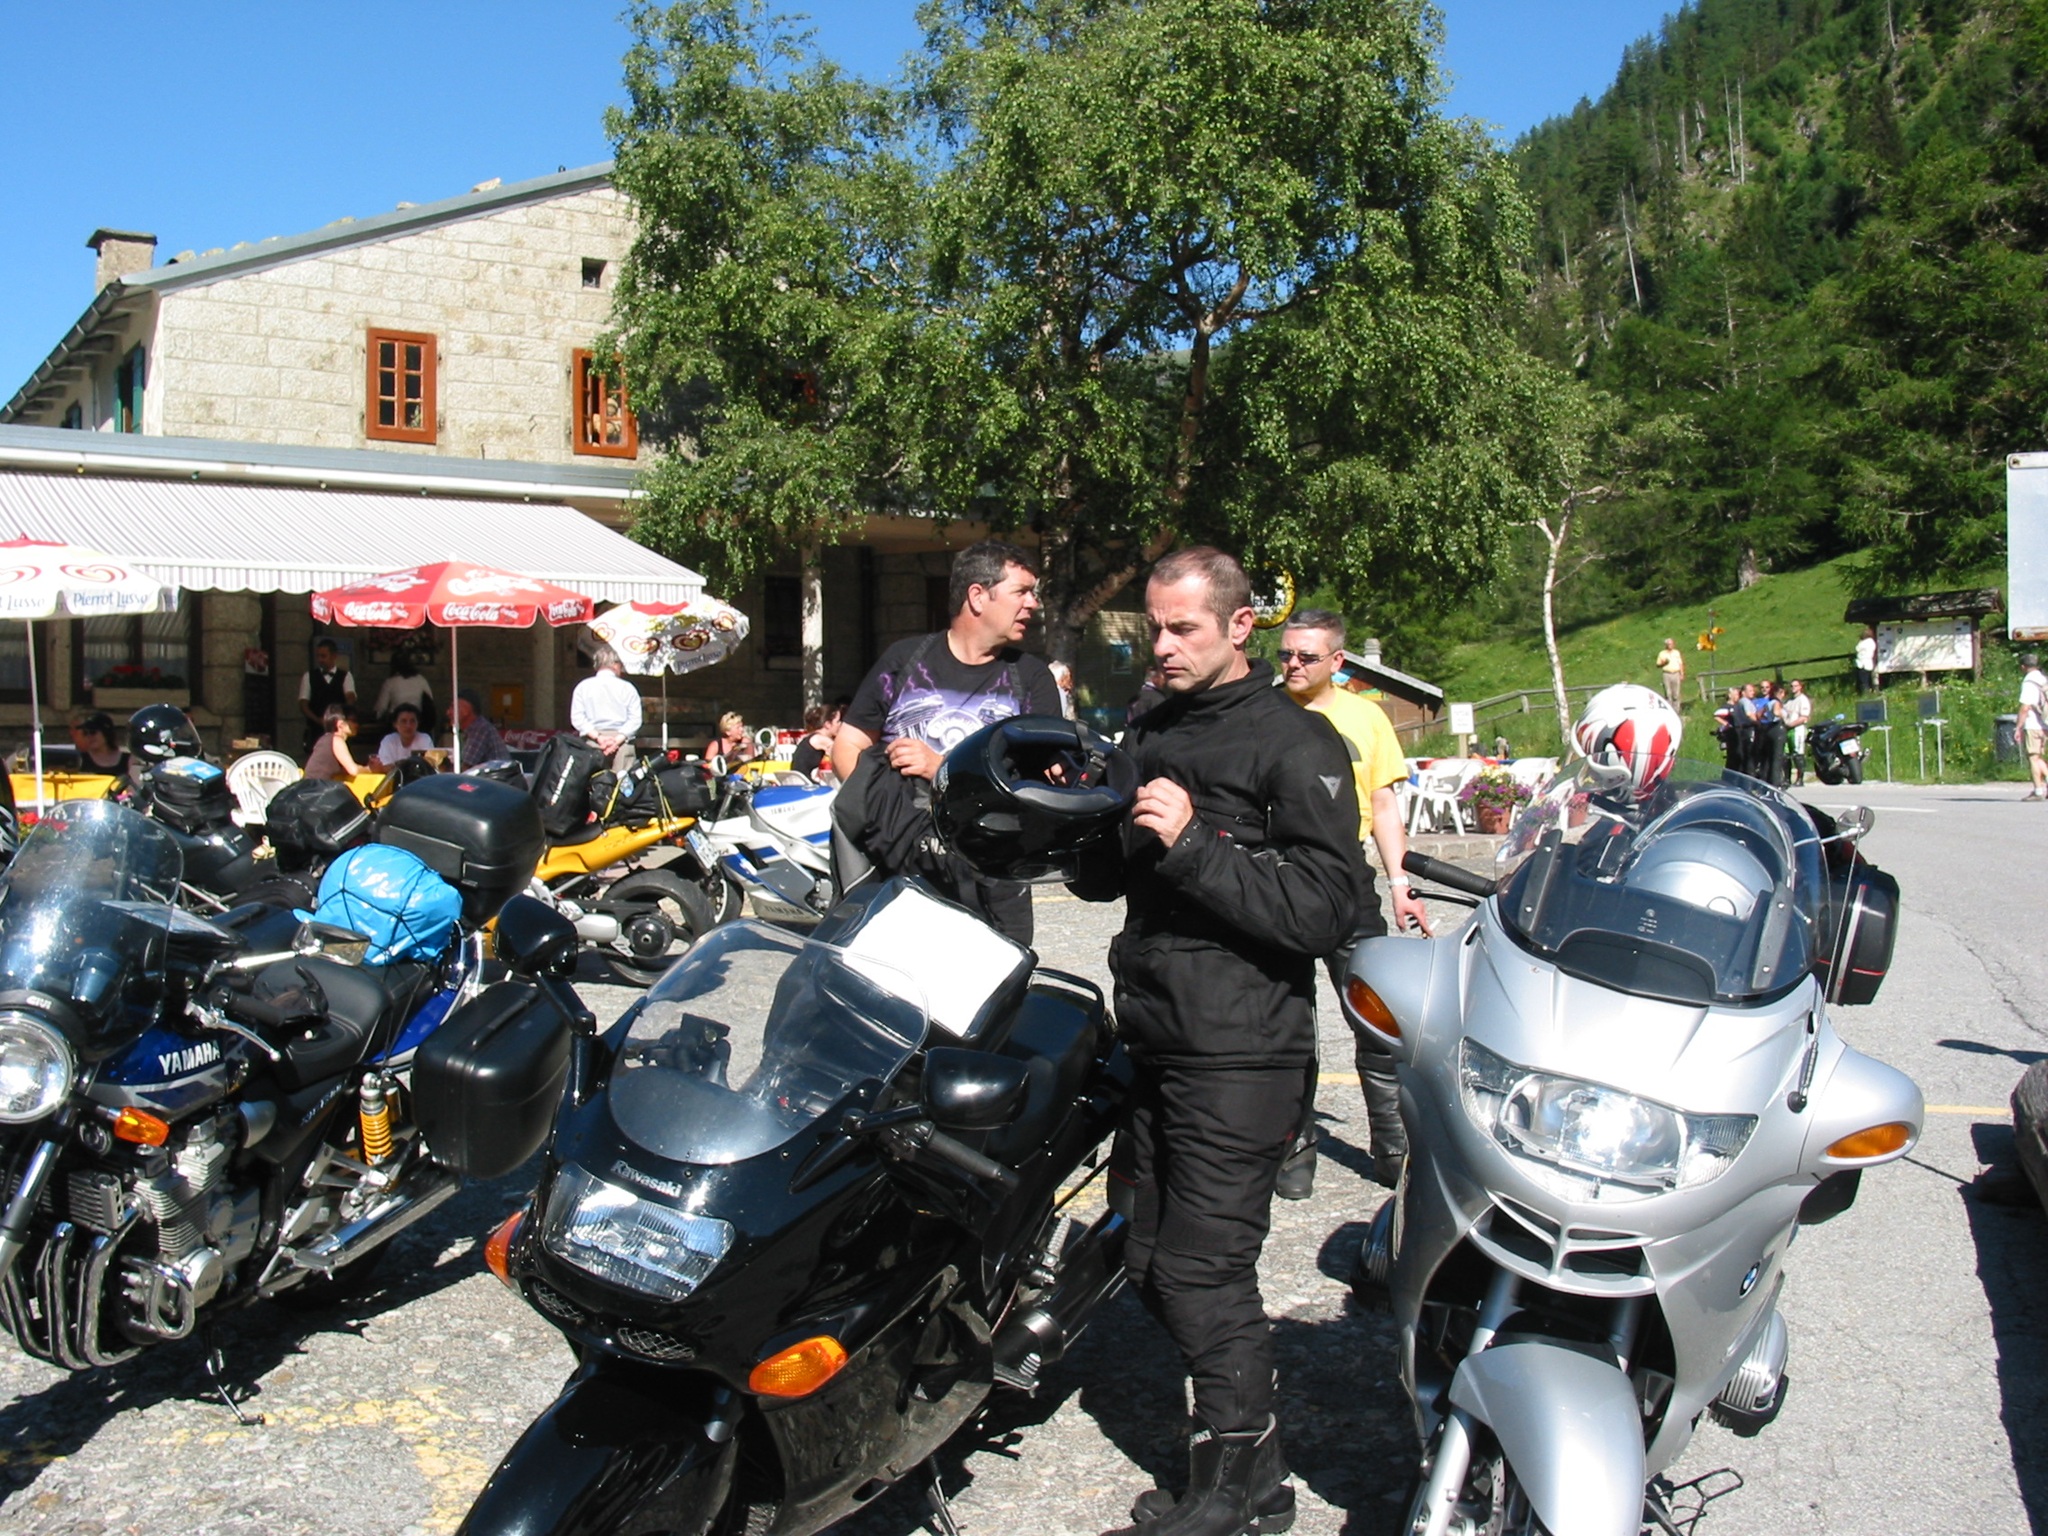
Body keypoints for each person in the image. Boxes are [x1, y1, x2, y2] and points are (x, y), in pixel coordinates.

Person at [1070, 548, 1366, 1536]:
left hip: (1243, 1052)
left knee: (1203, 1271)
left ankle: (1240, 1493)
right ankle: (1249, 1471)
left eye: (1182, 629)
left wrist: (1196, 841)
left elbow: (1323, 911)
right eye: (1153, 628)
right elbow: (1105, 879)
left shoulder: (1296, 740)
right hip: (1154, 1034)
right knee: (1150, 1260)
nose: (1160, 646)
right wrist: (1074, 816)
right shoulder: (1150, 724)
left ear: (1240, 627)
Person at [831, 540, 1060, 944]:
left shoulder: (1032, 678)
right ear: (977, 596)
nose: (1033, 604)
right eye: (1021, 592)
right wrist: (887, 818)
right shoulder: (903, 661)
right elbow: (846, 747)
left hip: (992, 885)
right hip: (897, 882)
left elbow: (1036, 787)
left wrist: (941, 769)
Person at [1272, 609, 1430, 1199]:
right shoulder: (1264, 713)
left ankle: (1394, 1149)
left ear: (1338, 661)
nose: (1292, 665)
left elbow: (1384, 807)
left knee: (1376, 1019)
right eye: (1286, 654)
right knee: (1286, 1026)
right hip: (1277, 881)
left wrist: (1400, 883)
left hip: (1347, 881)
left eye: (1307, 656)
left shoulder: (1366, 717)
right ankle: (1293, 1150)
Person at [571, 644, 643, 771]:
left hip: (592, 743)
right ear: (615, 665)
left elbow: (577, 718)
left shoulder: (582, 687)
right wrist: (617, 740)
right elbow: (635, 719)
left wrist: (599, 737)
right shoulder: (628, 688)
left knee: (593, 781)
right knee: (623, 781)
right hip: (622, 743)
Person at [298, 638, 356, 752]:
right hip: (316, 729)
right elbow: (303, 703)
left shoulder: (346, 676)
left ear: (334, 656)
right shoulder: (308, 676)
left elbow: (350, 698)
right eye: (318, 656)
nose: (320, 660)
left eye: (323, 656)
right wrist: (317, 719)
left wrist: (340, 718)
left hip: (338, 729)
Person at [374, 649, 435, 734]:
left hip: (397, 727)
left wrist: (377, 718)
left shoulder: (390, 682)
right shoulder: (421, 680)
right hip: (418, 725)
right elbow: (430, 701)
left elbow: (381, 707)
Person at [305, 706, 369, 781]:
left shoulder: (325, 739)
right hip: (318, 785)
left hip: (310, 785)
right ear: (341, 724)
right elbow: (353, 770)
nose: (357, 724)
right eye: (354, 720)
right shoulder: (337, 740)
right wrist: (370, 769)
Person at [454, 688, 507, 766]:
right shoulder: (478, 727)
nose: (448, 712)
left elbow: (466, 768)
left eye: (454, 707)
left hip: (496, 774)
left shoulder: (480, 729)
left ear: (466, 710)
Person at [67, 711, 128, 778]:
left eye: (93, 732)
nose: (89, 736)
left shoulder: (128, 759)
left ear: (106, 733)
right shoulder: (79, 760)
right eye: (85, 733)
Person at [2021, 653, 2048, 801]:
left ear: (2023, 667)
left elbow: (2025, 707)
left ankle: (2038, 791)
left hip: (2033, 724)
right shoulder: (2043, 679)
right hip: (2046, 723)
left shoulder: (2029, 681)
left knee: (2033, 757)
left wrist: (2018, 726)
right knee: (2038, 757)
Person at [789, 703, 840, 782]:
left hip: (797, 782)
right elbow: (841, 757)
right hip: (808, 784)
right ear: (828, 724)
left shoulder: (810, 737)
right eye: (838, 721)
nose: (841, 724)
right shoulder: (822, 740)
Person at [1782, 679, 1813, 786]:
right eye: (1791, 686)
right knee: (1785, 755)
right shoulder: (1788, 701)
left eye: (1795, 686)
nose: (1793, 688)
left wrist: (1792, 724)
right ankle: (1787, 778)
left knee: (1797, 754)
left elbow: (1804, 717)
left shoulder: (1803, 700)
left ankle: (1800, 778)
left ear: (1800, 687)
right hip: (1787, 729)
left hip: (1797, 729)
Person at [1715, 685, 1744, 774]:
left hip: (1739, 731)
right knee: (1733, 754)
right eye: (1735, 694)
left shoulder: (1738, 706)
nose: (1737, 696)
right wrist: (1727, 724)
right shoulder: (1726, 707)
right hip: (1731, 733)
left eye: (1738, 695)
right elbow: (1716, 716)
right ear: (1730, 695)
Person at [1654, 637, 1686, 706]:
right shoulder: (1662, 653)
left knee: (1676, 693)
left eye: (1671, 644)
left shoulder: (1676, 652)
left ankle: (1676, 709)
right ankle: (1669, 707)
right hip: (1667, 674)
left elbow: (1680, 663)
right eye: (1669, 644)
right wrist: (1664, 663)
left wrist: (1682, 674)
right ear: (1666, 645)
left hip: (1676, 674)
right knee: (1668, 693)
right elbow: (1658, 665)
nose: (1670, 646)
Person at [1854, 625, 1879, 694]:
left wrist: (1860, 641)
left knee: (1863, 680)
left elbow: (1857, 648)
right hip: (1868, 663)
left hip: (1862, 663)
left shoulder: (1863, 642)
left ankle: (1865, 692)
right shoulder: (1872, 642)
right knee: (1868, 678)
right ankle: (1869, 690)